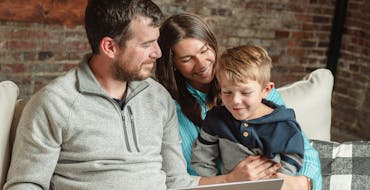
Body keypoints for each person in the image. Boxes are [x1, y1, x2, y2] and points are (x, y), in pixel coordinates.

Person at [5, 1, 201, 189]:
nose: (157, 53)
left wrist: (229, 181)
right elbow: (26, 184)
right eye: (146, 44)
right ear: (109, 47)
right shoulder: (54, 103)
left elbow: (178, 182)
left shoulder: (158, 97)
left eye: (156, 42)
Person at [155, 13, 322, 190]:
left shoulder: (252, 81)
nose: (202, 63)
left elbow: (302, 148)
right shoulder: (171, 109)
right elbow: (183, 177)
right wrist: (232, 179)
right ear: (172, 63)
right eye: (187, 59)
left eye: (204, 51)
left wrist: (303, 183)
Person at [191, 45, 304, 177]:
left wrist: (277, 180)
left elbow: (294, 158)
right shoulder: (216, 119)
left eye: (246, 92)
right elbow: (202, 159)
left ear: (266, 90)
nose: (236, 100)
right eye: (227, 92)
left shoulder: (283, 125)